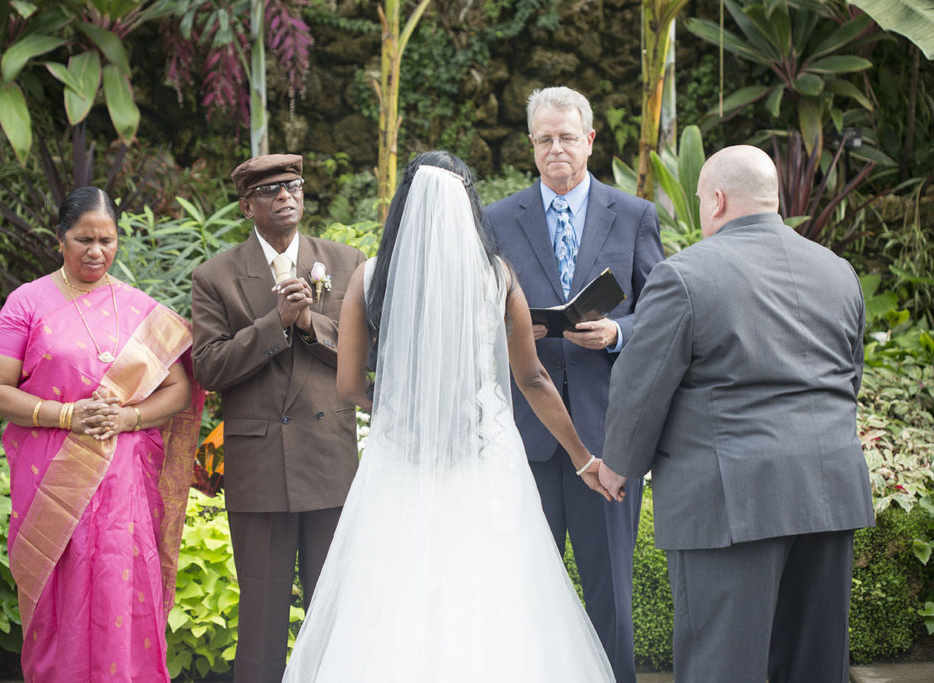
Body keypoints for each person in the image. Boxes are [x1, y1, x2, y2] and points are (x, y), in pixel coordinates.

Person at [283, 151, 620, 682]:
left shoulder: (370, 279)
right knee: (496, 602)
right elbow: (532, 380)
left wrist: (398, 407)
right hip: (485, 465)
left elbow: (349, 386)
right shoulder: (497, 276)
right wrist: (583, 458)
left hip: (399, 469)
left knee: (392, 600)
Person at [598, 145, 875, 682]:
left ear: (717, 200)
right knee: (815, 665)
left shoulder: (685, 276)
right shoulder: (839, 272)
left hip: (733, 504)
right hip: (830, 492)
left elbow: (642, 384)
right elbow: (850, 378)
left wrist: (618, 464)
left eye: (701, 201)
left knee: (721, 666)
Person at [0, 186, 204, 682]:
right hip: (50, 479)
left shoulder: (140, 309)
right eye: (84, 239)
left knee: (120, 587)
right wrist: (66, 416)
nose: (96, 251)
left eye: (107, 240)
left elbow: (179, 391)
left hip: (123, 486)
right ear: (60, 238)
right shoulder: (27, 303)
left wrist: (128, 418)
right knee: (56, 593)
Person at [484, 85, 663, 683]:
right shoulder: (498, 219)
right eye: (543, 139)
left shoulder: (633, 214)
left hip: (607, 434)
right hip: (525, 436)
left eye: (565, 136)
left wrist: (617, 333)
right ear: (530, 147)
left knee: (610, 590)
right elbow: (482, 314)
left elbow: (662, 312)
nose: (555, 148)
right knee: (525, 588)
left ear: (589, 140)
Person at [190, 154, 364, 683]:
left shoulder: (345, 261)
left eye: (292, 186)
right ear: (247, 206)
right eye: (269, 191)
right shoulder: (215, 275)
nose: (285, 196)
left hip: (328, 458)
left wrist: (310, 323)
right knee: (261, 614)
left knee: (331, 610)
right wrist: (275, 323)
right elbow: (208, 368)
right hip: (260, 464)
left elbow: (368, 353)